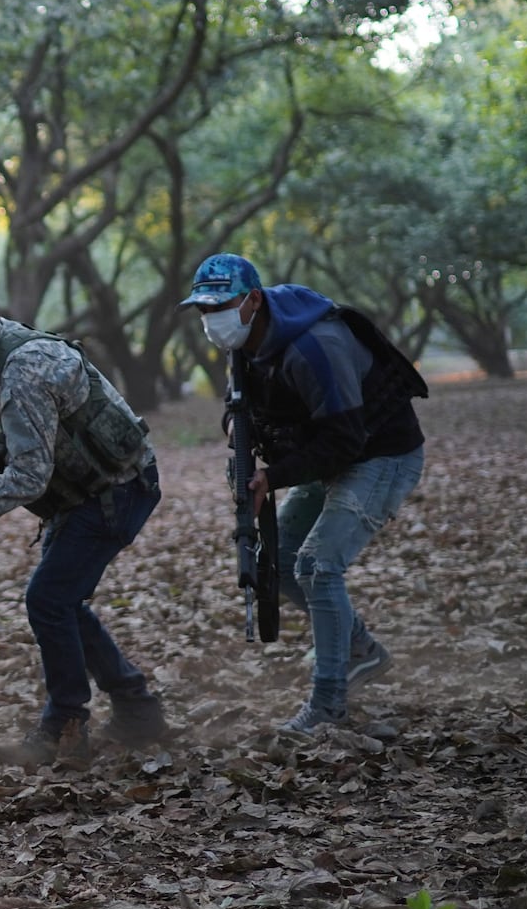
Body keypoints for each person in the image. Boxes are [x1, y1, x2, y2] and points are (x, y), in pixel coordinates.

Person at [0, 269, 169, 766]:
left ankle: (65, 725)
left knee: (48, 598)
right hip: (78, 495)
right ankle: (137, 708)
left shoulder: (26, 367)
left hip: (118, 488)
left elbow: (29, 474)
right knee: (62, 600)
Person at [179, 253, 428, 734]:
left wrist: (271, 480)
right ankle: (359, 650)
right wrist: (238, 433)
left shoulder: (316, 348)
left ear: (253, 300)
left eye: (220, 307)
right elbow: (241, 407)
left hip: (382, 455)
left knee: (317, 565)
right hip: (332, 454)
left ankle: (328, 705)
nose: (210, 320)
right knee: (283, 557)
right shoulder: (246, 342)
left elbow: (344, 441)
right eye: (202, 311)